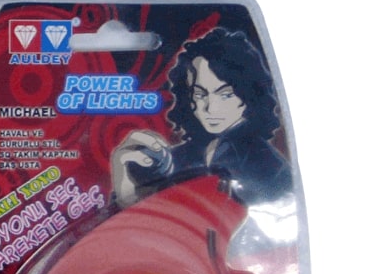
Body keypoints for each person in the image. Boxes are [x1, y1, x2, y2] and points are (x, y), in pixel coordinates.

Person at [111, 28, 292, 208]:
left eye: (225, 95)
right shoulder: (176, 160)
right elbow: (140, 217)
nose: (209, 108)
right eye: (200, 94)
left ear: (248, 96)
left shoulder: (268, 166)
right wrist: (124, 185)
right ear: (187, 97)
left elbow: (278, 208)